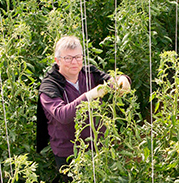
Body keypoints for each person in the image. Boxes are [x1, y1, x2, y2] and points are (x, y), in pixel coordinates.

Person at [36, 35, 131, 174]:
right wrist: (91, 95)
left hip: (99, 146)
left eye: (78, 57)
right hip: (70, 154)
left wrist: (122, 79)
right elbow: (62, 115)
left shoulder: (89, 73)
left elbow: (112, 80)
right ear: (57, 61)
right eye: (68, 58)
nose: (74, 62)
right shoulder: (49, 87)